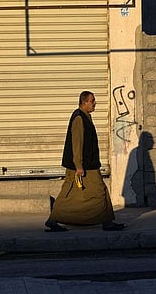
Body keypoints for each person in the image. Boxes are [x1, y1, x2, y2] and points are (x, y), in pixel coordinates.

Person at [45, 91, 126, 232]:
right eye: (92, 101)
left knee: (69, 193)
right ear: (84, 102)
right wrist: (78, 165)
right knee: (99, 191)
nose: (95, 103)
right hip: (85, 165)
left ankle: (54, 220)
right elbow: (77, 143)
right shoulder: (79, 118)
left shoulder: (85, 117)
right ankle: (106, 222)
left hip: (86, 164)